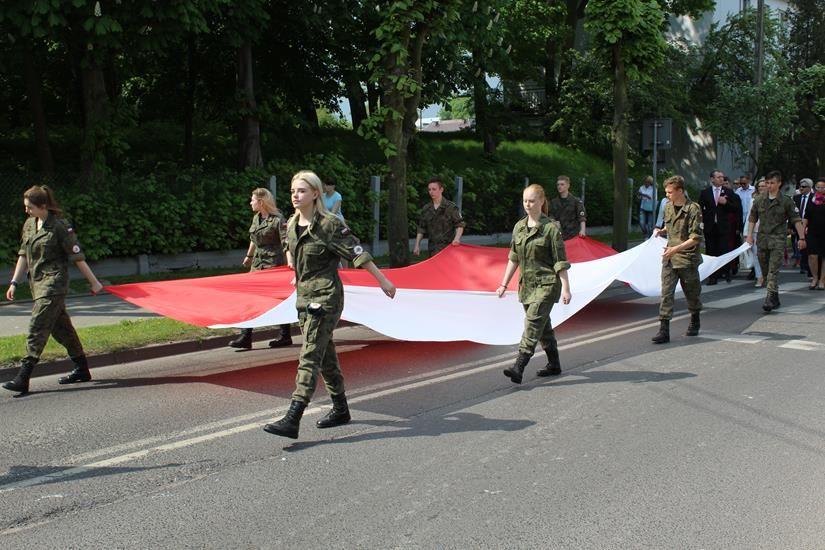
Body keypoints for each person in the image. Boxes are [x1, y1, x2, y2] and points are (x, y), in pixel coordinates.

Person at [263, 171, 396, 439]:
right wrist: (296, 275)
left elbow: (357, 253)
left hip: (325, 299)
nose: (295, 196)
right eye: (292, 191)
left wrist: (383, 280)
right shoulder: (290, 224)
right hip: (303, 298)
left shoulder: (330, 224)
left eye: (301, 191)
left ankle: (293, 416)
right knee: (324, 354)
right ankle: (341, 408)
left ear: (315, 194)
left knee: (309, 354)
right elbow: (296, 254)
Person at [3, 185, 104, 396]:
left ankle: (23, 376)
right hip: (37, 284)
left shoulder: (59, 226)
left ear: (43, 206)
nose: (26, 211)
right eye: (25, 207)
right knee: (62, 329)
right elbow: (23, 254)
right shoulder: (30, 224)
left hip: (54, 285)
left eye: (29, 207)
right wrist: (14, 282)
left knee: (37, 326)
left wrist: (94, 282)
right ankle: (82, 369)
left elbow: (77, 256)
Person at [496, 184, 571, 384]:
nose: (527, 205)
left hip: (546, 285)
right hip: (527, 286)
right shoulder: (519, 227)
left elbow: (559, 262)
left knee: (532, 323)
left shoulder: (550, 229)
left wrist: (566, 288)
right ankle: (554, 364)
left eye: (531, 201)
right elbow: (514, 258)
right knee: (542, 326)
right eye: (525, 201)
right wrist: (503, 284)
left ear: (541, 201)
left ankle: (518, 366)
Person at [228, 188, 293, 350]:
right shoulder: (256, 218)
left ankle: (285, 335)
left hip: (273, 265)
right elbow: (253, 240)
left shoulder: (278, 220)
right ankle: (245, 336)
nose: (251, 202)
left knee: (277, 301)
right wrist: (249, 257)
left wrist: (290, 262)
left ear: (261, 202)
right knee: (250, 299)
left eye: (253, 200)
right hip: (258, 265)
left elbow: (286, 243)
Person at [650, 175, 703, 344]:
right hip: (670, 258)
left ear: (680, 191)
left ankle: (695, 318)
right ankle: (663, 330)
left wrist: (675, 249)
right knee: (666, 293)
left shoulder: (693, 209)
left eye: (670, 192)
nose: (667, 195)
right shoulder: (667, 206)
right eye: (666, 192)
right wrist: (662, 231)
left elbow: (695, 238)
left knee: (692, 293)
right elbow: (671, 225)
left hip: (687, 258)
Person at [745, 170, 806, 312]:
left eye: (772, 182)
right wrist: (749, 235)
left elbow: (796, 220)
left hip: (778, 239)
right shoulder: (759, 199)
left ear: (779, 183)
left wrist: (802, 238)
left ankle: (769, 299)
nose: (769, 185)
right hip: (762, 239)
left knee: (773, 270)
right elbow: (752, 218)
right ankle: (775, 296)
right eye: (767, 182)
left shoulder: (786, 201)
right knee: (766, 271)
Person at [699, 169, 739, 284]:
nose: (722, 179)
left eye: (722, 177)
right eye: (718, 177)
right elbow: (700, 208)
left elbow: (735, 207)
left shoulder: (728, 192)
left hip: (724, 227)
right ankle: (713, 276)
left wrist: (725, 203)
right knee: (711, 251)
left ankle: (726, 272)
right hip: (710, 227)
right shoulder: (705, 192)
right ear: (712, 179)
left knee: (724, 250)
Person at [414, 178, 465, 257]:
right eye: (429, 189)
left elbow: (460, 225)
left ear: (441, 190)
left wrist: (457, 238)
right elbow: (421, 228)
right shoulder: (426, 208)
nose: (431, 192)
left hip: (448, 249)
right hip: (432, 249)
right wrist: (417, 245)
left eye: (434, 189)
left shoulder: (451, 207)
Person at [803, 177, 825, 290]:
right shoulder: (812, 199)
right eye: (818, 187)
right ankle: (815, 277)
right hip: (812, 231)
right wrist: (802, 233)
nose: (820, 189)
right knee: (812, 255)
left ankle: (822, 280)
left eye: (823, 187)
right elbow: (806, 216)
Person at [744, 178, 767, 288]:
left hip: (768, 232)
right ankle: (759, 277)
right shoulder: (753, 200)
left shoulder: (773, 199)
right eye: (760, 186)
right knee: (757, 256)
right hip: (755, 231)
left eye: (764, 186)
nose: (761, 188)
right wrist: (747, 234)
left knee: (767, 256)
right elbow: (749, 217)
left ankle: (767, 275)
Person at [550, 175, 586, 240]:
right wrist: (553, 222)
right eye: (558, 185)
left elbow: (582, 218)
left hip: (573, 236)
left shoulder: (576, 201)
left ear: (568, 186)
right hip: (559, 236)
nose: (559, 186)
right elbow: (551, 216)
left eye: (562, 184)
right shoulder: (554, 202)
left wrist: (583, 230)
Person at [793, 178, 814, 279]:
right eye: (800, 186)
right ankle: (803, 264)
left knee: (808, 245)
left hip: (810, 225)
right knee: (800, 245)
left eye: (804, 187)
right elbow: (791, 213)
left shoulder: (814, 198)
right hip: (798, 224)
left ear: (810, 188)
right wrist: (790, 227)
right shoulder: (796, 198)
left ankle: (807, 266)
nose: (801, 188)